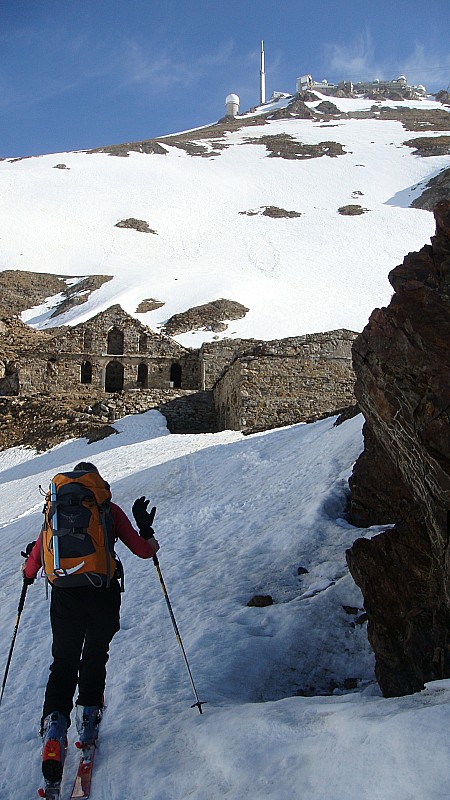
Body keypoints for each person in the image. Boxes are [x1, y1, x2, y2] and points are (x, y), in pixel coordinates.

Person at [22, 461, 159, 785]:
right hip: (102, 593)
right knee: (95, 657)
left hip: (65, 596)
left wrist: (28, 574)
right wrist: (148, 532)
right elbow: (143, 551)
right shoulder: (106, 508)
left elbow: (36, 559)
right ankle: (88, 721)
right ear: (96, 482)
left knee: (63, 663)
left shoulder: (55, 508)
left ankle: (55, 731)